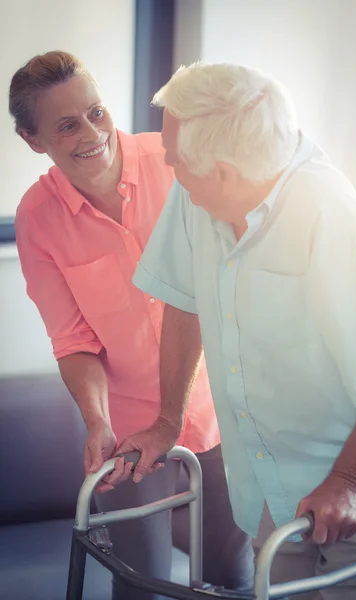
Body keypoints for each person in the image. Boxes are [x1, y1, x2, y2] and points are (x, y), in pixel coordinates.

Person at [130, 62, 356, 600]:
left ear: (224, 172)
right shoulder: (195, 193)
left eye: (176, 158)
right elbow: (185, 303)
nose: (168, 164)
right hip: (268, 484)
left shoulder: (332, 217)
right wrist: (167, 421)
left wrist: (346, 483)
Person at [10, 52, 254, 600]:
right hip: (129, 434)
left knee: (229, 579)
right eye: (67, 125)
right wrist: (96, 421)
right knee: (140, 585)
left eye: (96, 112)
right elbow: (74, 341)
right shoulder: (37, 218)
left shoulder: (175, 164)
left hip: (225, 413)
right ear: (33, 140)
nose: (93, 133)